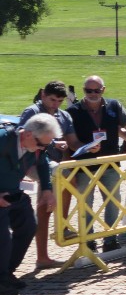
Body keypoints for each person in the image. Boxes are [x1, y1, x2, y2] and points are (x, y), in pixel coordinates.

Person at [65, 75, 126, 252]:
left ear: (104, 89)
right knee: (85, 203)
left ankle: (110, 238)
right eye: (89, 90)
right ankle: (88, 240)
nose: (93, 93)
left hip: (110, 163)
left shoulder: (114, 105)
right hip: (84, 165)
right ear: (83, 91)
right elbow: (71, 141)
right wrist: (86, 148)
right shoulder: (73, 111)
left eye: (97, 90)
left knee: (113, 200)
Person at [19, 80, 79, 269]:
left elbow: (73, 142)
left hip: (53, 164)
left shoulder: (64, 116)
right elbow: (23, 138)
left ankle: (62, 222)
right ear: (43, 95)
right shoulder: (33, 112)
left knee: (71, 175)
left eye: (59, 101)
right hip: (32, 162)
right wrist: (53, 144)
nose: (55, 104)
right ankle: (44, 254)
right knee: (48, 198)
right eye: (52, 100)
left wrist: (89, 149)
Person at [0, 114, 58, 295]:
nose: (43, 149)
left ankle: (6, 273)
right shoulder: (3, 139)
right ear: (27, 134)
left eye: (46, 145)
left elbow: (42, 163)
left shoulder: (37, 147)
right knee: (2, 239)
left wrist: (47, 189)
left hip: (14, 193)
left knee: (28, 226)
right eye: (41, 144)